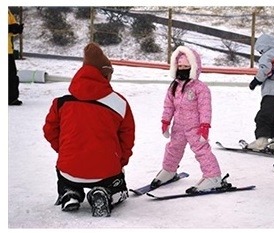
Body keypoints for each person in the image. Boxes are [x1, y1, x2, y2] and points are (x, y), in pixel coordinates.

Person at [43, 42, 135, 217]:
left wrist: (63, 150)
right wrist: (120, 161)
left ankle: (69, 192)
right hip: (106, 171)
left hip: (69, 169)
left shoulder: (62, 102)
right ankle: (106, 194)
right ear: (105, 74)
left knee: (67, 175)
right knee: (119, 187)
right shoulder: (119, 103)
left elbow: (49, 131)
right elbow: (127, 137)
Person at [150, 45, 227, 193]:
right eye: (180, 66)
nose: (182, 69)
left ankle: (213, 176)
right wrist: (165, 121)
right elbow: (168, 106)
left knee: (201, 150)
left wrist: (205, 126)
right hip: (178, 126)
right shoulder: (174, 87)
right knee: (173, 148)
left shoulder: (200, 88)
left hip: (195, 127)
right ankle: (169, 170)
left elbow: (205, 108)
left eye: (186, 66)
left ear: (194, 67)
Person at [246, 34, 274, 151]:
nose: (260, 53)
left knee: (264, 116)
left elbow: (265, 68)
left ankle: (261, 141)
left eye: (260, 50)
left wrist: (256, 80)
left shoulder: (269, 54)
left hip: (271, 92)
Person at [8, 8, 24, 106]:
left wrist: (16, 29)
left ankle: (11, 98)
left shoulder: (7, 11)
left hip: (8, 49)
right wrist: (9, 28)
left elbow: (12, 26)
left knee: (11, 76)